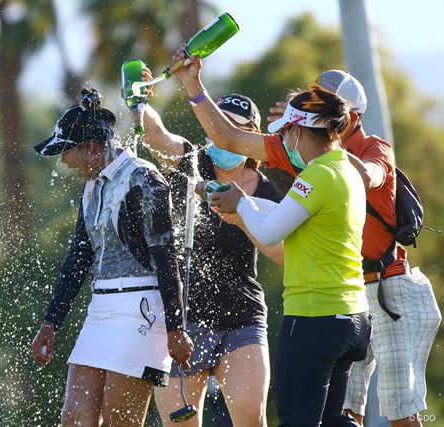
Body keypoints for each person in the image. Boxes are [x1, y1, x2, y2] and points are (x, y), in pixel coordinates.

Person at [175, 49, 441, 425]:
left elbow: (367, 179)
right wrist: (194, 87)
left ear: (347, 117)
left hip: (369, 293)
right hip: (351, 306)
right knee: (342, 416)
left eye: (331, 106)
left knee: (395, 414)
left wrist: (243, 201)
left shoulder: (346, 159)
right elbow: (231, 139)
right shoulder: (315, 159)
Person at [197, 83, 371, 426]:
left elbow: (269, 231)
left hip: (313, 318)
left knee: (298, 421)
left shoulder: (316, 176)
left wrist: (242, 205)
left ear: (297, 130)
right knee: (333, 421)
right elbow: (279, 212)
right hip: (352, 319)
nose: (285, 143)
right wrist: (234, 201)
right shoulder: (346, 170)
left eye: (287, 133)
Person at [30, 88, 193, 427]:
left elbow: (166, 256)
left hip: (143, 310)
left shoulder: (143, 178)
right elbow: (78, 258)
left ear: (92, 147)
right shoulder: (92, 186)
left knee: (121, 421)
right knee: (75, 420)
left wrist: (176, 328)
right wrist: (51, 322)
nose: (64, 162)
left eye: (67, 152)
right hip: (101, 310)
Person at [134, 76, 282, 427]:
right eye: (219, 123)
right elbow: (157, 138)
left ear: (252, 136)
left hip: (242, 318)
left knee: (250, 416)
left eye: (235, 127)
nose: (223, 132)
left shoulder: (269, 190)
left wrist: (242, 214)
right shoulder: (190, 162)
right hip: (182, 322)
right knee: (179, 423)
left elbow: (281, 253)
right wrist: (141, 102)